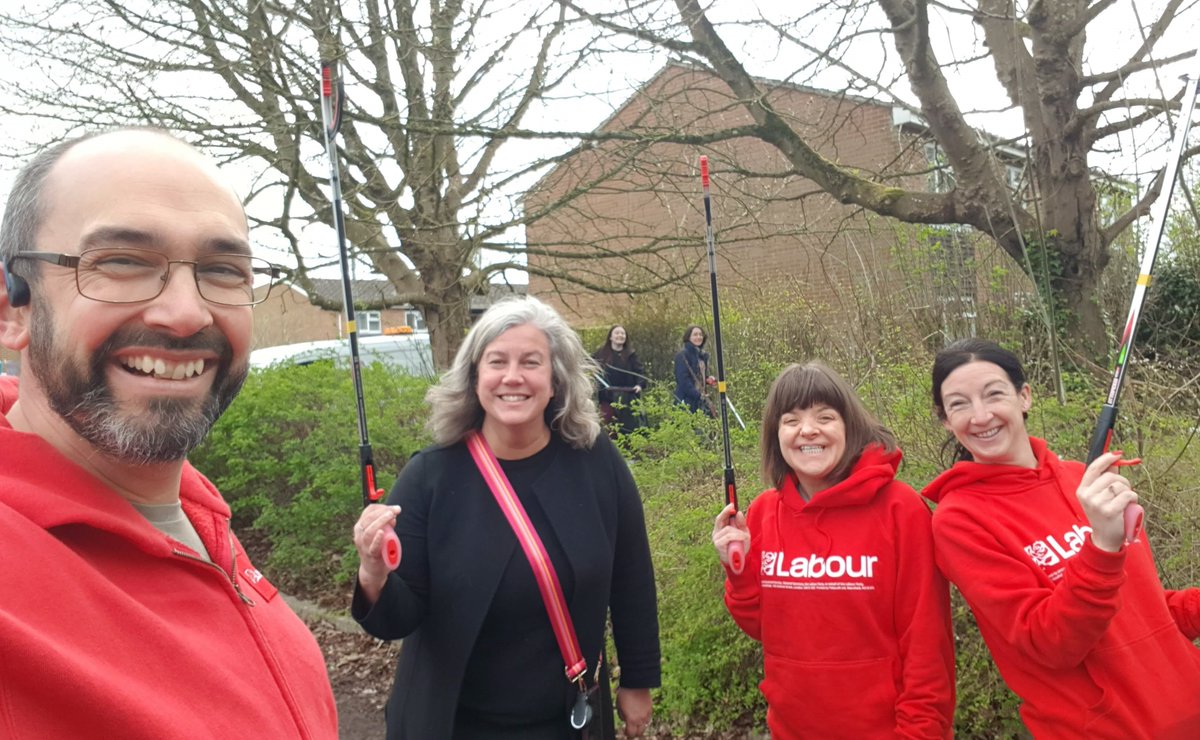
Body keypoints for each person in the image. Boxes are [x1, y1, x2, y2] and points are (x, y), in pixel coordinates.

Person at [0, 129, 338, 738]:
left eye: (221, 270)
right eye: (123, 263)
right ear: (13, 309)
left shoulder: (199, 516)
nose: (186, 313)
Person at [352, 296, 661, 740]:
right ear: (475, 376)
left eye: (530, 362)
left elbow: (632, 579)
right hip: (454, 723)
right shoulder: (431, 477)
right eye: (497, 361)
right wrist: (374, 572)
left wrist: (637, 678)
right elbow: (395, 619)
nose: (512, 377)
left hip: (570, 721)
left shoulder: (596, 464)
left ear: (554, 380)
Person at [923, 338, 1200, 738]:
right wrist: (1102, 546)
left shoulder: (1082, 480)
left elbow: (1144, 611)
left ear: (1024, 397)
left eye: (994, 394)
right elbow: (1051, 643)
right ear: (946, 420)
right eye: (959, 404)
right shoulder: (959, 521)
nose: (980, 415)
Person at [711, 362, 955, 739]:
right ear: (776, 435)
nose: (808, 430)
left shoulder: (900, 510)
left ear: (849, 427)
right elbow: (761, 627)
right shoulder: (761, 513)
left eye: (825, 416)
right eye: (791, 420)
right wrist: (738, 572)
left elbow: (927, 647)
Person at [593, 324, 649, 434]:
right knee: (608, 429)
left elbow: (640, 373)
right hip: (608, 399)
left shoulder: (631, 355)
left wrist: (639, 385)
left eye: (622, 333)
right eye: (617, 333)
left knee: (628, 430)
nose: (620, 335)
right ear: (611, 337)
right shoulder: (601, 354)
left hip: (627, 398)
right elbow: (589, 365)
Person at [673, 324, 714, 416]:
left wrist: (707, 379)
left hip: (700, 401)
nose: (698, 337)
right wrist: (698, 395)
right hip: (687, 401)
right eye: (695, 334)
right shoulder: (682, 355)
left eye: (700, 334)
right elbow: (683, 381)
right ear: (688, 337)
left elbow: (698, 375)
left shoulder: (702, 356)